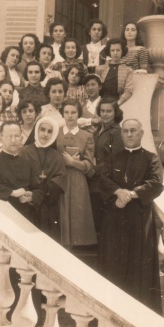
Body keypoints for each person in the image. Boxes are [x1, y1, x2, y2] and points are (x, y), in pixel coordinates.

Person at [97, 118, 164, 312]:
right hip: (115, 218)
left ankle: (139, 311)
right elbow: (103, 179)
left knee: (138, 264)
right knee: (113, 263)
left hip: (139, 219)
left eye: (133, 130)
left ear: (141, 133)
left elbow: (156, 183)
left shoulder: (151, 158)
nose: (129, 134)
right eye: (125, 131)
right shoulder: (113, 158)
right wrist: (118, 191)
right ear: (121, 134)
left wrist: (131, 195)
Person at [0, 121, 44, 222]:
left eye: (17, 136)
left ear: (21, 138)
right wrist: (11, 192)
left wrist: (31, 196)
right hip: (2, 214)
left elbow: (39, 188)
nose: (13, 140)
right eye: (9, 137)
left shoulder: (28, 162)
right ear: (0, 139)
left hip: (26, 215)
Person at [56, 99, 97, 248]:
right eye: (66, 112)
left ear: (79, 114)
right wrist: (62, 161)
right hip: (59, 179)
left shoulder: (87, 136)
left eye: (73, 112)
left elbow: (89, 165)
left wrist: (72, 162)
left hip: (78, 181)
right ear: (62, 114)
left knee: (76, 219)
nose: (70, 115)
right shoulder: (55, 133)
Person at [19, 117, 66, 241]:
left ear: (54, 134)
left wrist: (37, 194)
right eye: (42, 129)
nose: (45, 134)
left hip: (48, 207)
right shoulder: (24, 152)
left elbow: (59, 181)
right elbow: (17, 177)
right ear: (36, 130)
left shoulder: (56, 156)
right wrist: (28, 194)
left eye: (49, 131)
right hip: (26, 205)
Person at [89, 97, 124, 234]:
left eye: (108, 111)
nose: (104, 114)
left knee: (106, 224)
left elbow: (115, 160)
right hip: (95, 181)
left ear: (115, 113)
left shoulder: (117, 132)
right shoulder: (97, 131)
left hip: (107, 182)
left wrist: (93, 169)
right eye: (102, 111)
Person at [96, 38, 135, 106]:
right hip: (101, 103)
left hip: (119, 104)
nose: (115, 53)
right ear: (109, 52)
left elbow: (128, 91)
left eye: (118, 50)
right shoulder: (100, 69)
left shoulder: (128, 71)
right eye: (112, 50)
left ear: (122, 52)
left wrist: (117, 104)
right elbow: (96, 89)